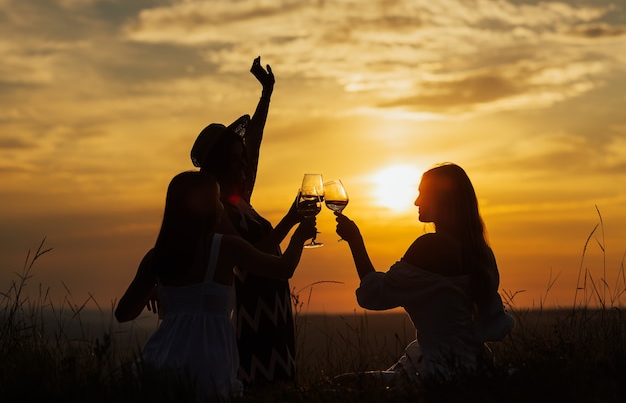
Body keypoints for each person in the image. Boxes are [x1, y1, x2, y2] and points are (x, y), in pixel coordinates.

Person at [114, 171, 316, 401]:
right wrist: (300, 236)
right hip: (210, 364)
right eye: (217, 198)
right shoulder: (226, 247)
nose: (222, 204)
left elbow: (124, 313)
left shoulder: (156, 257)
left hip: (161, 358)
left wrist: (159, 289)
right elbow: (283, 269)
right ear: (207, 207)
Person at [333, 163, 514, 389]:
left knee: (341, 384)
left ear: (442, 199)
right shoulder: (482, 253)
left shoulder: (429, 247)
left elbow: (373, 295)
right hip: (479, 368)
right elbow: (493, 327)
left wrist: (355, 241)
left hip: (438, 373)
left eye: (422, 194)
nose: (416, 202)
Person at [190, 56, 303, 387]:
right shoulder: (220, 210)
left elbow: (255, 140)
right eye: (236, 159)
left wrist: (266, 93)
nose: (245, 164)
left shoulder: (243, 202)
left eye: (243, 158)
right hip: (253, 310)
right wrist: (291, 220)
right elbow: (249, 261)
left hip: (277, 304)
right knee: (259, 384)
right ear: (223, 164)